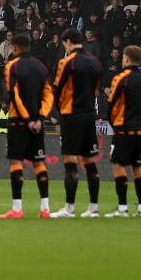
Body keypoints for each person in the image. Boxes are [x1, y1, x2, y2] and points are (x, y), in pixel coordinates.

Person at [0, 33, 54, 219]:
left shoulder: (11, 66)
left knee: (16, 161)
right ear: (29, 47)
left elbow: (15, 94)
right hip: (37, 123)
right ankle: (45, 208)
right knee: (39, 163)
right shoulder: (40, 67)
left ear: (14, 47)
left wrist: (27, 118)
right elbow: (48, 95)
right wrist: (40, 117)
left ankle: (17, 209)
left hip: (18, 122)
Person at [52, 27, 102, 218]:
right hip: (89, 115)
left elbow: (57, 89)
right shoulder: (95, 62)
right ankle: (94, 208)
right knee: (90, 162)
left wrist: (58, 111)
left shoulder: (66, 62)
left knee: (70, 162)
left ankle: (69, 208)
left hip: (71, 116)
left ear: (67, 42)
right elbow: (97, 89)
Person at [104, 45, 141, 217]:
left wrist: (115, 125)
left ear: (126, 58)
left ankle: (123, 208)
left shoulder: (120, 78)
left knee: (118, 165)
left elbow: (111, 104)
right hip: (140, 129)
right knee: (137, 167)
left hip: (123, 129)